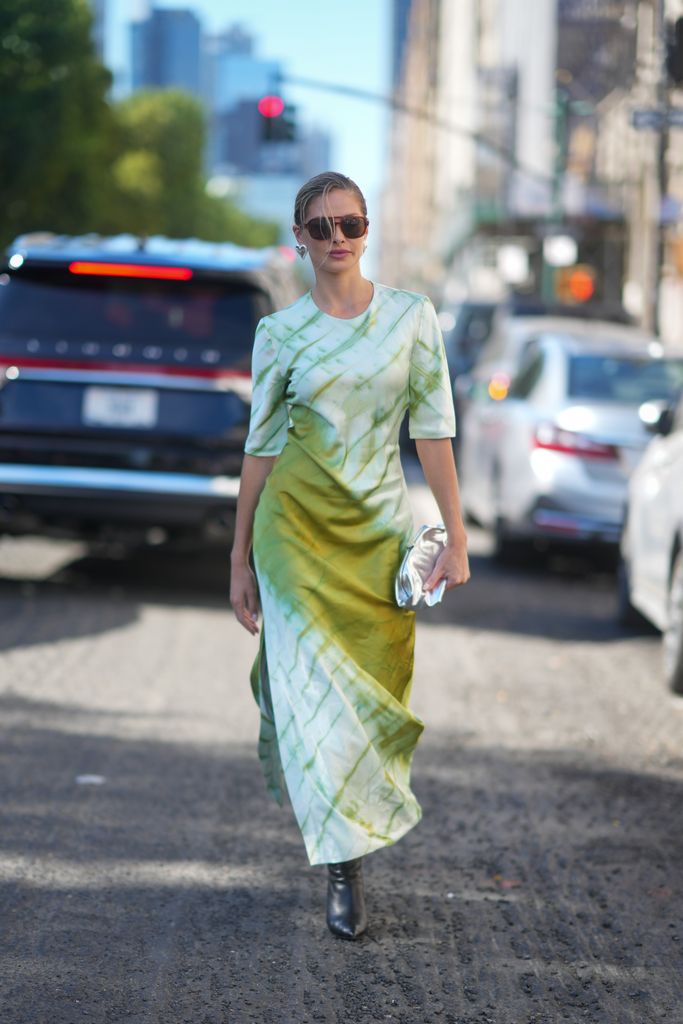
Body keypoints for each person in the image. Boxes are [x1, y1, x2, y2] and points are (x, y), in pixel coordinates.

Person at [230, 171, 470, 940]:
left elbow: (431, 431)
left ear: (367, 230)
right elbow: (261, 448)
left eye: (351, 224)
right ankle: (344, 870)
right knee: (316, 698)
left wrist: (454, 537)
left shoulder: (411, 318)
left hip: (376, 537)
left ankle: (347, 845)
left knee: (368, 698)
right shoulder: (279, 334)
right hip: (292, 531)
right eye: (321, 227)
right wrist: (239, 557)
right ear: (297, 238)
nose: (338, 240)